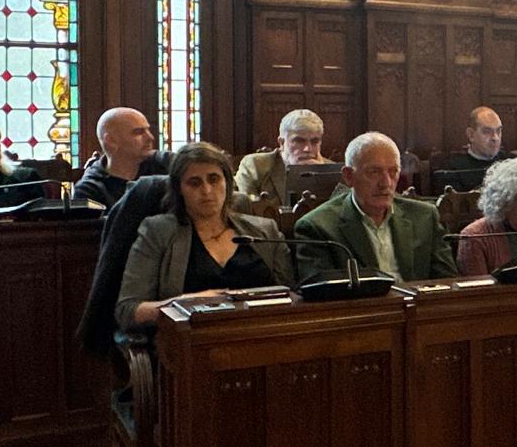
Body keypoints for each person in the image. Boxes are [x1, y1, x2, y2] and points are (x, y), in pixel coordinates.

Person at [114, 143, 293, 328]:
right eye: (194, 183)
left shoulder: (265, 231)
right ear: (179, 189)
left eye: (214, 179)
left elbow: (293, 297)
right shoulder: (158, 232)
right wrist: (185, 303)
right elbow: (128, 311)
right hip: (192, 338)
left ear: (227, 182)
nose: (206, 190)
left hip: (263, 334)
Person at [294, 132, 456, 283]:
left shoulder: (424, 216)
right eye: (374, 172)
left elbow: (449, 283)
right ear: (349, 176)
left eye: (393, 172)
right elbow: (323, 296)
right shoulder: (318, 227)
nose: (386, 183)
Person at [73, 107, 169, 208]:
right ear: (111, 140)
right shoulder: (89, 190)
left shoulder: (163, 168)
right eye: (138, 132)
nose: (150, 138)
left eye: (148, 130)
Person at [234, 109, 329, 199]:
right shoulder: (255, 166)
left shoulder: (330, 170)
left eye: (314, 141)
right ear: (282, 143)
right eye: (299, 141)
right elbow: (244, 205)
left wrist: (322, 176)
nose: (307, 149)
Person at [435, 107, 504, 173]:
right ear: (471, 135)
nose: (495, 138)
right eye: (487, 132)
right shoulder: (452, 169)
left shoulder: (509, 163)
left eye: (498, 131)